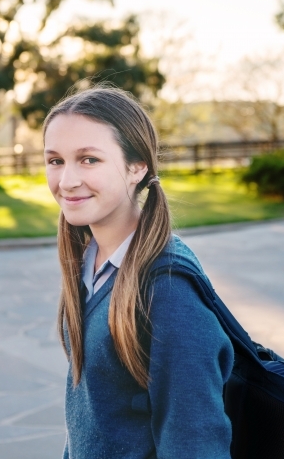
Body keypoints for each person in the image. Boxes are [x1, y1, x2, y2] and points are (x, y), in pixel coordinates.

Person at [43, 85, 233, 459]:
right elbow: (95, 420)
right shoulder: (89, 262)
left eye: (89, 159)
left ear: (137, 166)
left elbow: (194, 445)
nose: (66, 181)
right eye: (55, 161)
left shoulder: (167, 293)